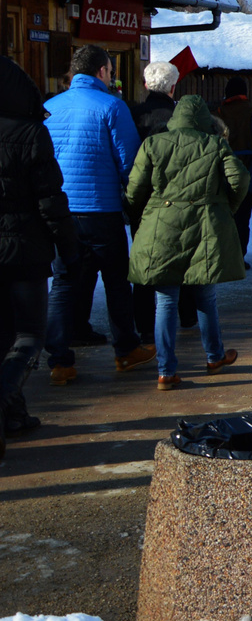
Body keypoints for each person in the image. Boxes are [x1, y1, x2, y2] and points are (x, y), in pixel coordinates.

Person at [43, 45, 152, 385]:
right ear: (102, 72)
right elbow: (130, 163)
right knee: (117, 281)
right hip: (101, 210)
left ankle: (59, 361)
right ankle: (126, 350)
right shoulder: (112, 107)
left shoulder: (49, 108)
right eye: (110, 70)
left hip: (62, 212)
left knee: (63, 283)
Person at [126, 95, 248, 390]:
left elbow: (133, 190)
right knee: (205, 296)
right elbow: (240, 180)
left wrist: (149, 213)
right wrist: (224, 208)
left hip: (162, 226)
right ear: (204, 118)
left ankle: (166, 371)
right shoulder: (215, 144)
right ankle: (214, 356)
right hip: (204, 226)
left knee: (165, 302)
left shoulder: (153, 144)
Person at [0, 56, 77, 450]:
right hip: (25, 251)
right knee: (29, 334)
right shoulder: (31, 133)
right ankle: (4, 405)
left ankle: (14, 415)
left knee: (4, 337)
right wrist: (68, 244)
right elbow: (50, 199)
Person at [130, 62, 198, 344]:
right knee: (183, 258)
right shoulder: (182, 118)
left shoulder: (133, 114)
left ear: (146, 85)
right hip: (180, 199)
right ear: (173, 87)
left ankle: (145, 324)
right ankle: (187, 315)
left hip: (145, 198)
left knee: (145, 261)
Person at [212, 76, 252, 261]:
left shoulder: (217, 113)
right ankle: (238, 257)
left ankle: (220, 254)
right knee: (243, 216)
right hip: (248, 172)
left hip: (222, 171)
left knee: (222, 214)